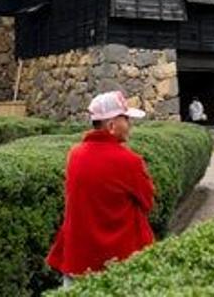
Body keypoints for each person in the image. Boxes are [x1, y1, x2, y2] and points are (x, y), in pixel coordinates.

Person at [47, 90, 156, 285]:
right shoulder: (130, 162)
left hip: (77, 258)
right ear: (112, 125)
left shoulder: (75, 154)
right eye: (126, 119)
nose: (130, 125)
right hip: (118, 261)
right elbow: (147, 202)